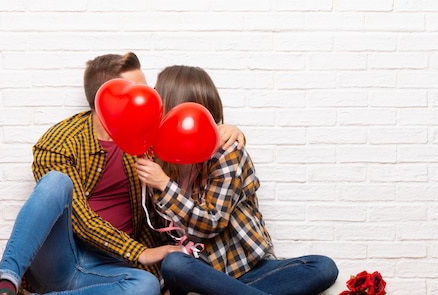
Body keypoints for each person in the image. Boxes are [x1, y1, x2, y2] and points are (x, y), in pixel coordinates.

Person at [0, 53, 246, 295]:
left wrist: (227, 129)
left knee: (145, 286)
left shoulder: (148, 140)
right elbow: (82, 219)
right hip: (60, 259)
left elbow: (186, 135)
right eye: (140, 90)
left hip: (110, 271)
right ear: (109, 97)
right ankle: (5, 285)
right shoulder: (60, 142)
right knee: (55, 182)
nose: (153, 98)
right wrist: (141, 253)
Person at [135, 65, 339, 295]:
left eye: (158, 91)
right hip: (198, 273)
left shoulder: (226, 151)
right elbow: (155, 234)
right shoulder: (154, 157)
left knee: (323, 266)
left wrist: (164, 185)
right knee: (174, 264)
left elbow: (211, 222)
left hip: (247, 269)